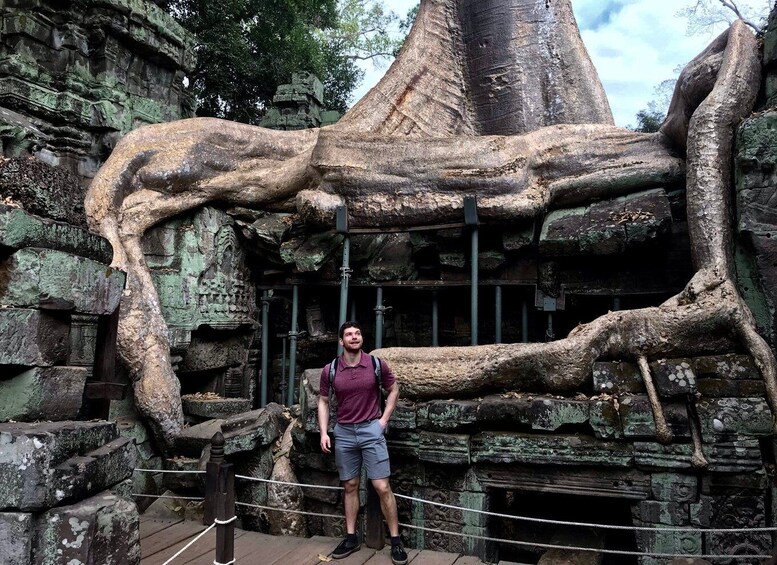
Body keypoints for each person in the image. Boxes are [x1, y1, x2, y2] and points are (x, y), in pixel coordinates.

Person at [318, 321, 407, 564]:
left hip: (371, 429)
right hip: (344, 432)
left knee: (381, 486)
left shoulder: (376, 364)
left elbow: (394, 390)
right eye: (349, 334)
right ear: (341, 341)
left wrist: (383, 421)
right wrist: (324, 432)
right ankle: (351, 537)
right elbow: (324, 401)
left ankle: (396, 540)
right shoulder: (331, 369)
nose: (354, 337)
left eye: (358, 333)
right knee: (350, 485)